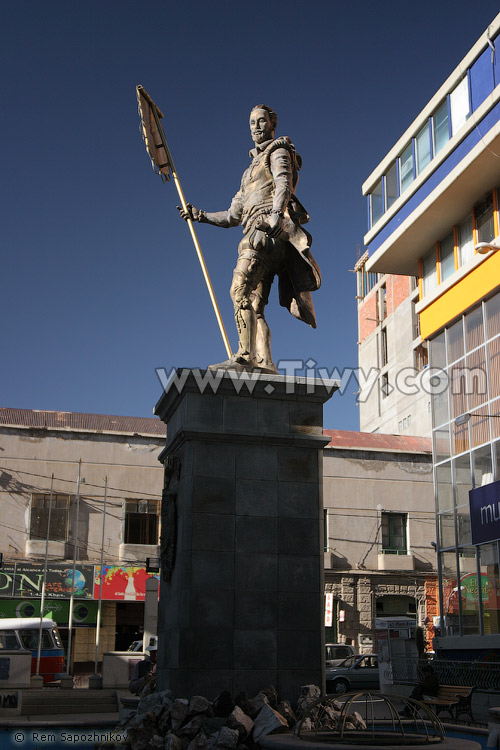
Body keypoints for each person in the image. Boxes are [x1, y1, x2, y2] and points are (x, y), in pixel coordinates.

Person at [178, 104, 321, 373]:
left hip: (266, 233)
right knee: (255, 306)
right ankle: (265, 363)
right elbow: (233, 215)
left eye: (261, 121)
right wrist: (200, 215)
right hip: (255, 231)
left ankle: (245, 355)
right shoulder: (247, 174)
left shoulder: (277, 151)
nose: (255, 126)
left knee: (238, 291)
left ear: (271, 124)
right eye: (252, 122)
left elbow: (284, 184)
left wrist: (276, 216)